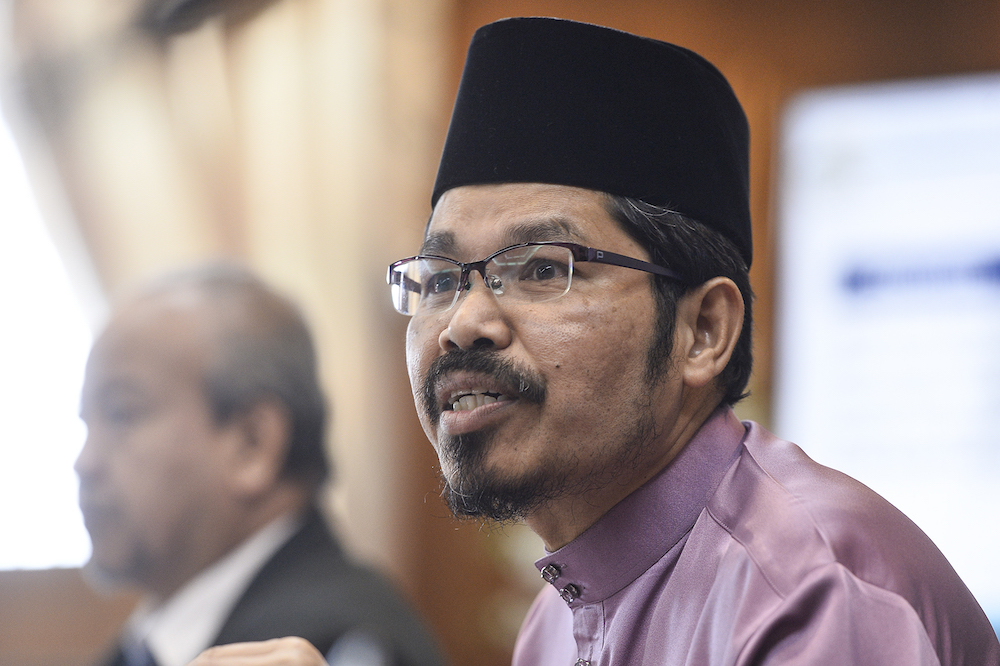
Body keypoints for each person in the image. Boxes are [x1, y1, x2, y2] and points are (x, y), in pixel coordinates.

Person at [188, 17, 1000, 666]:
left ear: (703, 330)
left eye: (541, 269)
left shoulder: (805, 598)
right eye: (438, 277)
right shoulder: (559, 614)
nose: (465, 321)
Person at [77, 262, 444, 666]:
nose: (85, 462)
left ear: (252, 443)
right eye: (85, 425)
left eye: (122, 414)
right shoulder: (142, 648)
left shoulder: (345, 644)